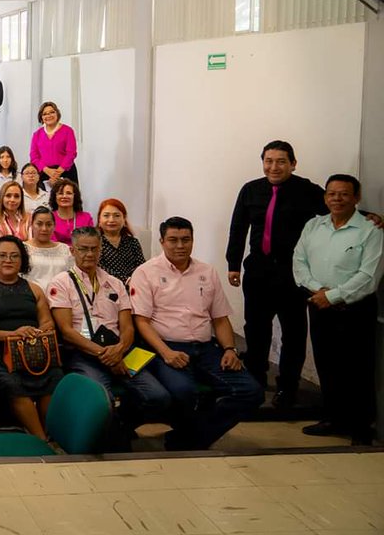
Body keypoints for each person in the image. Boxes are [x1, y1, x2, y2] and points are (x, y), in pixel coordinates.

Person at [130, 217, 264, 451]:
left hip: (205, 349)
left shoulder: (207, 272)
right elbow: (141, 321)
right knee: (184, 392)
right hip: (165, 347)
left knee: (252, 392)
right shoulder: (146, 272)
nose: (180, 246)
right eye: (173, 240)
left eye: (186, 240)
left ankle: (189, 438)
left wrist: (229, 349)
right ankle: (189, 438)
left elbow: (220, 318)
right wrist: (166, 352)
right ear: (162, 241)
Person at [225, 140, 327, 408]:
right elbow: (238, 227)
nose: (274, 166)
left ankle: (288, 388)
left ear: (293, 163)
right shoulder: (251, 190)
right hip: (258, 271)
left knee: (293, 333)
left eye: (281, 161)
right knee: (256, 330)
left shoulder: (307, 191)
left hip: (293, 273)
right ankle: (256, 381)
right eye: (268, 161)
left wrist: (367, 217)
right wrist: (233, 263)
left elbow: (337, 209)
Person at [48, 227, 170, 441]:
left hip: (119, 350)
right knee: (103, 399)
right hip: (83, 353)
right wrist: (105, 355)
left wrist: (120, 350)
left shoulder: (115, 283)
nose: (89, 254)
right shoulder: (61, 283)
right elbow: (67, 332)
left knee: (158, 397)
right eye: (83, 249)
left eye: (94, 249)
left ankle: (121, 425)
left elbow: (128, 328)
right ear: (72, 251)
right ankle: (109, 438)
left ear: (101, 249)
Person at [292, 174, 383, 444]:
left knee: (358, 368)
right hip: (318, 304)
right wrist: (317, 291)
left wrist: (333, 296)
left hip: (354, 308)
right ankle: (333, 418)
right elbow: (299, 261)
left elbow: (370, 274)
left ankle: (360, 426)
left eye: (344, 194)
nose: (337, 199)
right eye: (332, 193)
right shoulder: (313, 226)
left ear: (356, 197)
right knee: (327, 364)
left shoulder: (371, 229)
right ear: (325, 197)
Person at [0, 236, 62, 440]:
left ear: (22, 260)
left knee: (54, 376)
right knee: (12, 383)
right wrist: (13, 335)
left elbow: (48, 322)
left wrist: (36, 332)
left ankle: (51, 434)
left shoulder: (34, 288)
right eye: (2, 255)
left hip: (34, 351)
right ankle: (41, 439)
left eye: (14, 256)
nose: (8, 260)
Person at [97, 198, 145, 285]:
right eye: (106, 215)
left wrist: (135, 281)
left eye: (117, 215)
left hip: (135, 287)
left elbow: (142, 267)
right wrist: (126, 280)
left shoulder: (133, 242)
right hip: (105, 288)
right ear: (99, 220)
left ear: (124, 220)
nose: (111, 220)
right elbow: (99, 269)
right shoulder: (95, 243)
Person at [25, 206, 73, 291]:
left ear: (54, 226)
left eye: (49, 224)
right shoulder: (23, 248)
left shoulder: (65, 249)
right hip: (31, 297)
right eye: (39, 224)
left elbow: (72, 277)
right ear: (31, 225)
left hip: (62, 297)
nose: (44, 229)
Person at [30, 101, 78, 186]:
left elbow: (71, 153)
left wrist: (57, 173)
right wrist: (47, 170)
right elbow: (34, 157)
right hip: (44, 174)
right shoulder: (37, 134)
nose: (48, 116)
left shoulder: (68, 131)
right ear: (41, 117)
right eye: (45, 114)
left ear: (57, 114)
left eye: (52, 112)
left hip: (66, 172)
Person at [50, 178, 93, 245]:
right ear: (55, 197)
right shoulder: (49, 218)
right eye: (60, 193)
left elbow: (91, 240)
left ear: (75, 196)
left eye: (69, 193)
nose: (64, 196)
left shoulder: (86, 217)